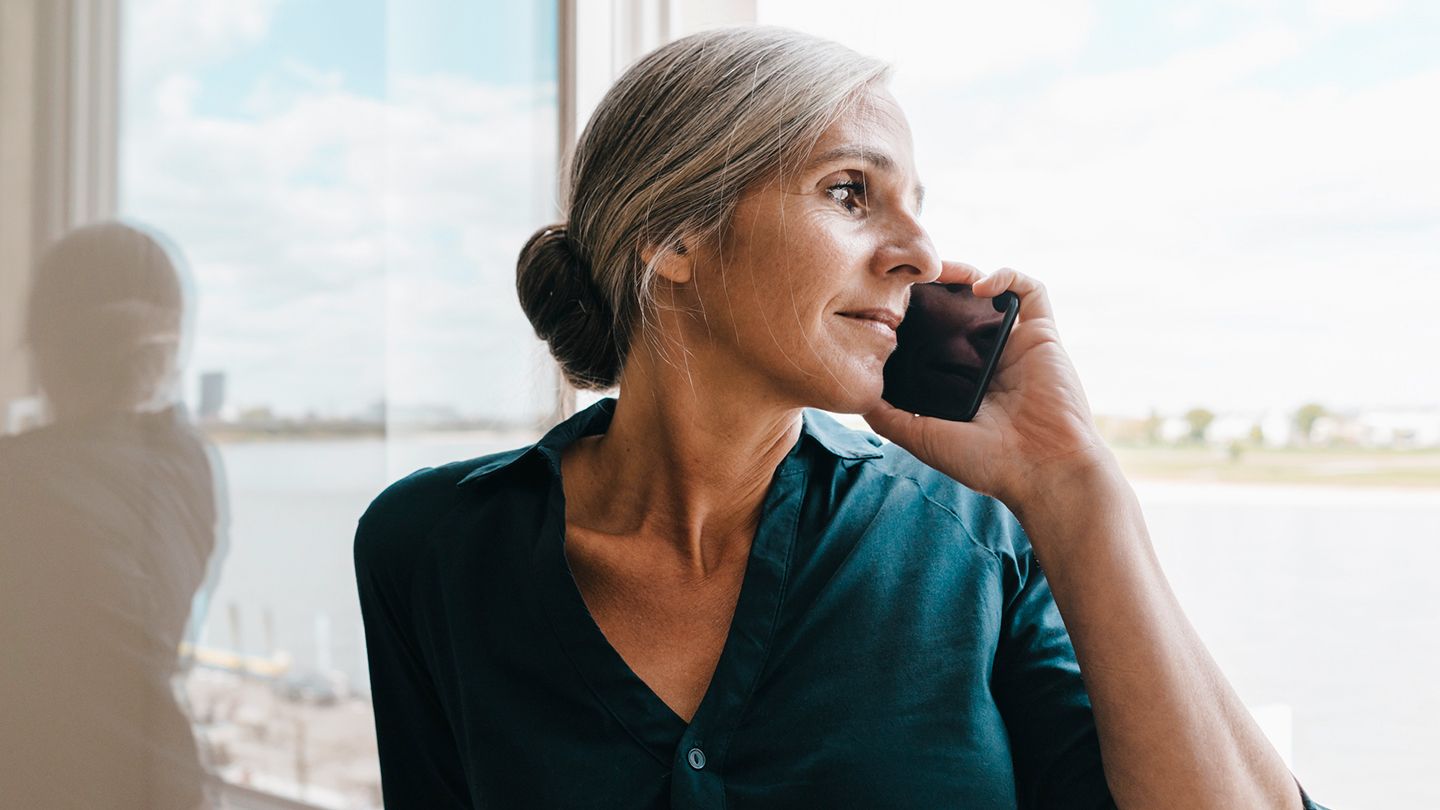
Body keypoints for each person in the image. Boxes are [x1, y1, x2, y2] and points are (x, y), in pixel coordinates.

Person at [355, 25, 1330, 809]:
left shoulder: (976, 541)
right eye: (850, 192)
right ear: (672, 235)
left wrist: (1076, 491)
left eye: (915, 206)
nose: (919, 251)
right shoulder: (432, 549)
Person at [0, 220, 227, 809]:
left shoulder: (18, 480)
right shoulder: (187, 465)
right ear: (168, 344)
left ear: (43, 349)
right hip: (165, 782)